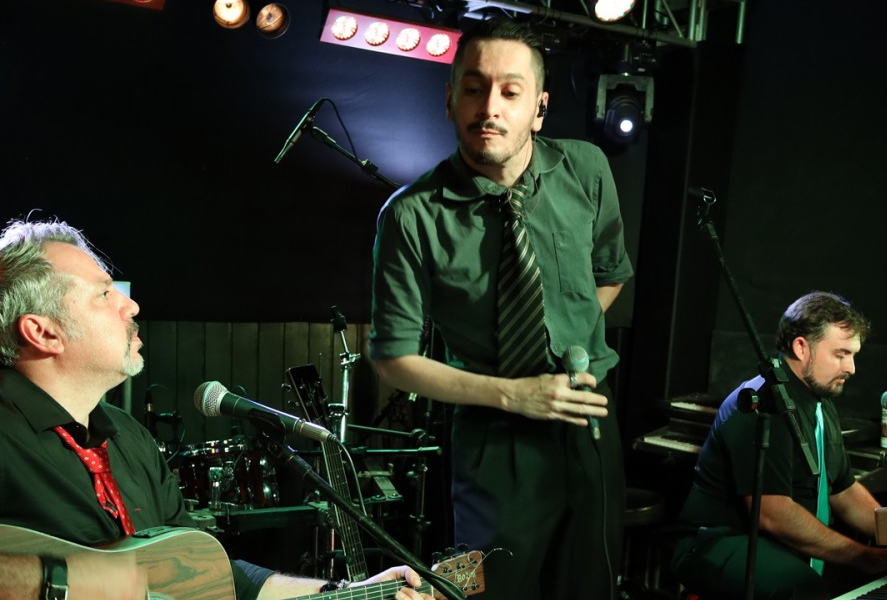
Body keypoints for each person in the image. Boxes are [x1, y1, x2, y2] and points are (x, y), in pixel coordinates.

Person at [0, 217, 435, 600]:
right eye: (102, 294)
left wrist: (347, 593)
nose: (130, 305)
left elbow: (206, 576)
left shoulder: (128, 437)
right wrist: (77, 584)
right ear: (43, 332)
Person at [368, 17, 634, 600]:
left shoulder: (588, 168)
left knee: (591, 586)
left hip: (589, 424)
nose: (489, 107)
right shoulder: (410, 215)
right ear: (449, 99)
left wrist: (570, 336)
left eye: (511, 92)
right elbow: (393, 359)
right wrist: (517, 393)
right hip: (493, 439)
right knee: (492, 591)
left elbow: (611, 274)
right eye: (474, 88)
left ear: (539, 108)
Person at [671, 291, 887, 600]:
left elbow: (843, 492)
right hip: (716, 542)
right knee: (802, 587)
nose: (851, 368)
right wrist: (863, 555)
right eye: (841, 354)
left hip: (774, 545)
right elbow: (773, 513)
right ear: (801, 347)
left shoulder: (821, 404)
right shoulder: (763, 403)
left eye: (853, 355)